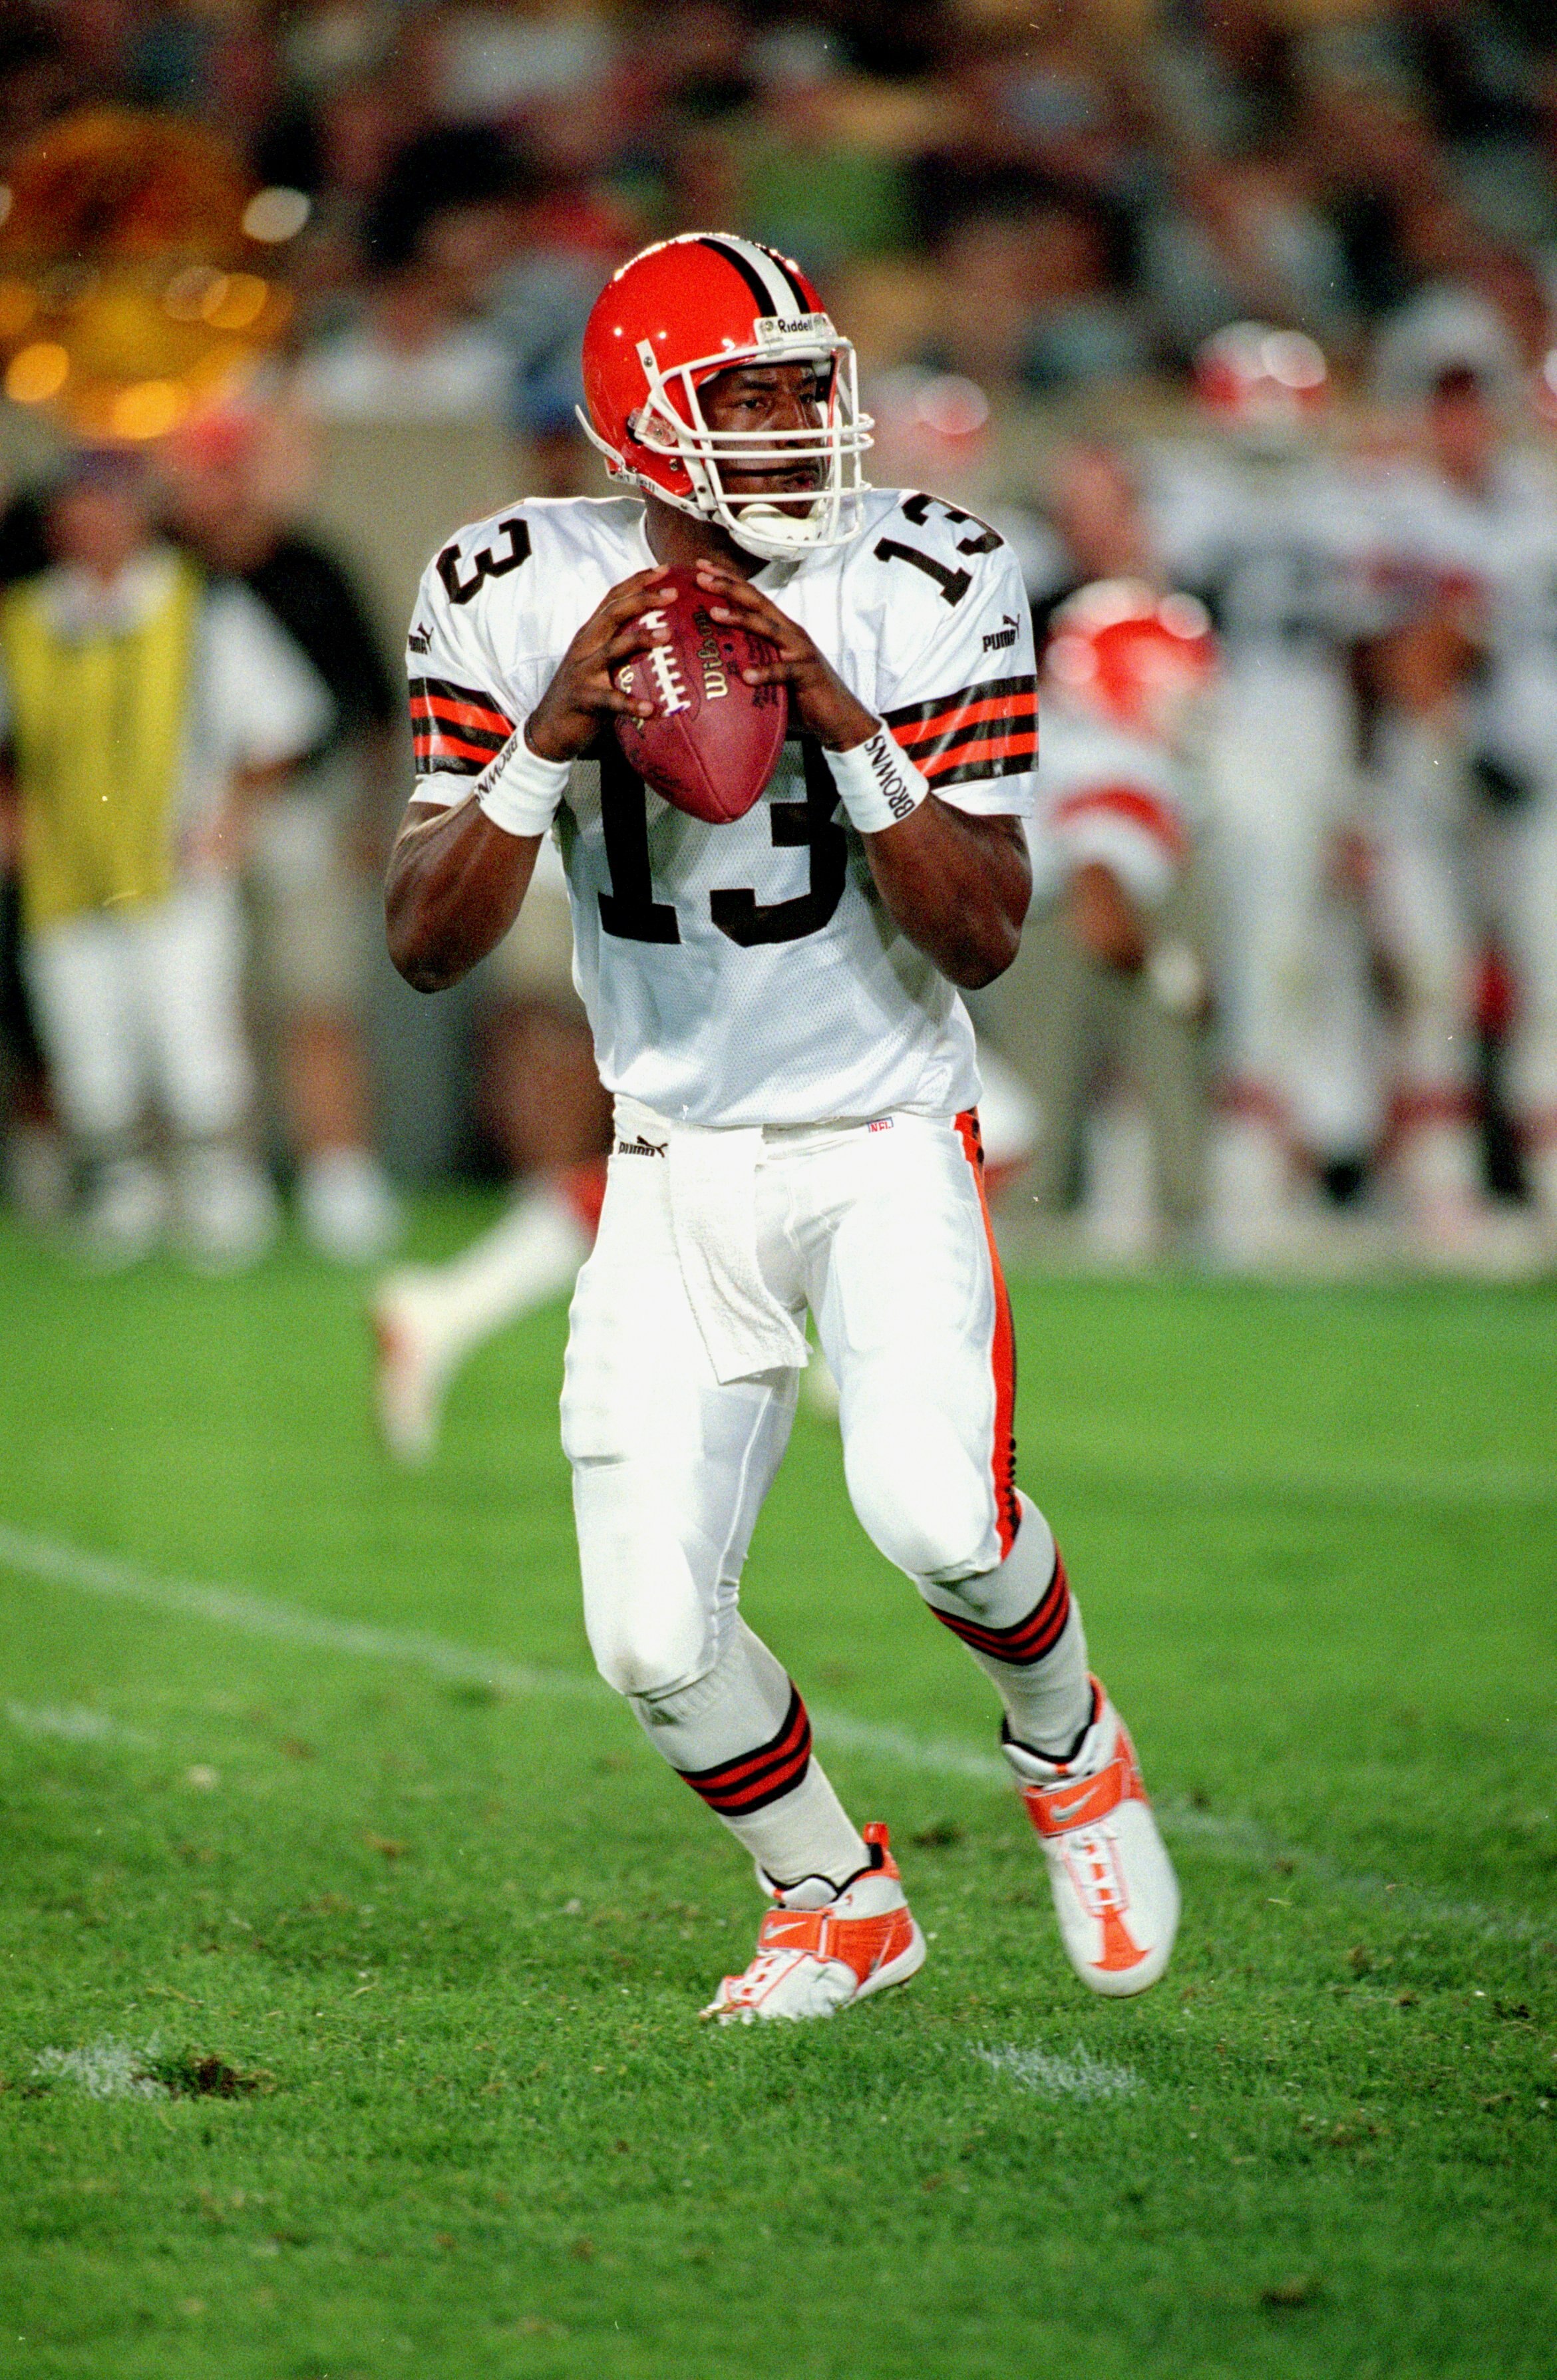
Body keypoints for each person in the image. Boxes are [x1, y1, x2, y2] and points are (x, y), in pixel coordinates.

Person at [383, 232, 1178, 2021]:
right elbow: (426, 944)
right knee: (651, 1640)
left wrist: (840, 722)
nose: (803, 427)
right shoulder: (512, 583)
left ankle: (1066, 1741)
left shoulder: (926, 568)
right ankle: (831, 1893)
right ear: (640, 427)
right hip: (668, 1158)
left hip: (886, 1122)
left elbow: (979, 928)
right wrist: (544, 743)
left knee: (939, 1524)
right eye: (749, 398)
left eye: (807, 386)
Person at [0, 450, 331, 1268]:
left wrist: (232, 814)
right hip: (68, 865)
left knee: (191, 1031)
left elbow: (284, 720)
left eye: (107, 503)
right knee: (86, 1037)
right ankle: (122, 1191)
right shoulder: (27, 619)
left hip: (176, 860)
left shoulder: (199, 603)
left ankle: (221, 1189)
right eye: (78, 505)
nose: (92, 522)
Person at [162, 404, 403, 1262]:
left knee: (317, 995)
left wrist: (370, 821)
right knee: (202, 1005)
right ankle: (225, 1181)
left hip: (306, 808)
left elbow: (374, 714)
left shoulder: (315, 568)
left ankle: (339, 1170)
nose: (218, 487)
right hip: (179, 815)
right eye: (204, 468)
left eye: (232, 466)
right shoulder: (167, 569)